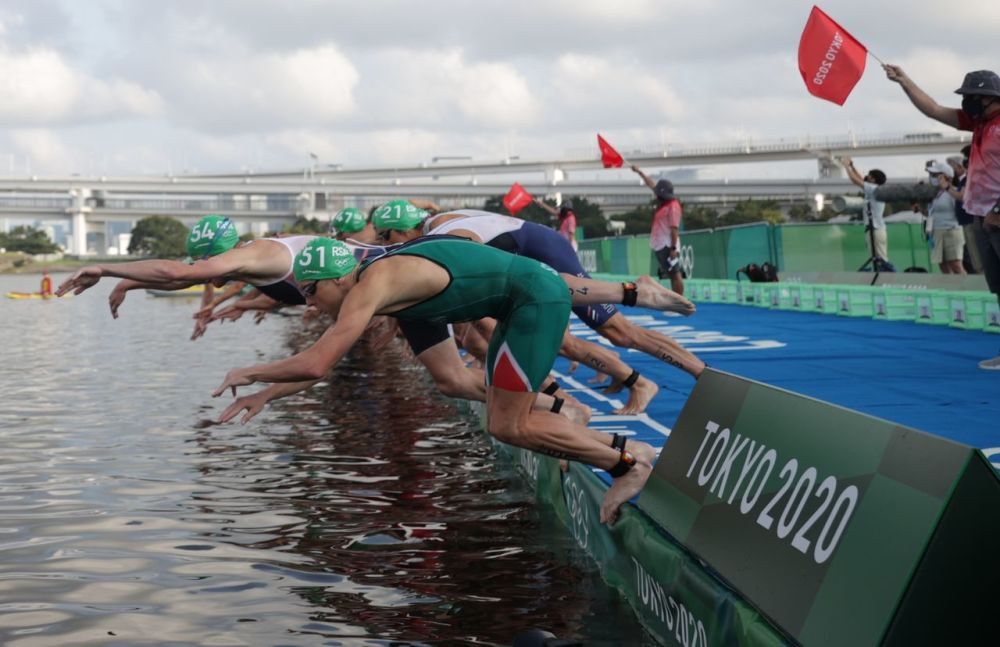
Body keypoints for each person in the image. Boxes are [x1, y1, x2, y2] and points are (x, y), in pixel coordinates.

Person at [213, 237, 696, 524]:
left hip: (533, 305)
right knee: (503, 419)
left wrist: (249, 371)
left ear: (337, 278)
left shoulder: (371, 285)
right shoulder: (379, 276)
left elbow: (317, 362)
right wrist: (267, 392)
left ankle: (628, 462)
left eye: (311, 292)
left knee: (509, 424)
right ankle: (626, 452)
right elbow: (323, 363)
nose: (310, 304)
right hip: (523, 302)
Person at [57, 215, 586, 421]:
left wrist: (106, 267)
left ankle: (562, 397)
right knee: (452, 380)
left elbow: (179, 273)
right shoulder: (260, 268)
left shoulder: (258, 255)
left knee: (492, 336)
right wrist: (129, 281)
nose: (205, 276)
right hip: (388, 296)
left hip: (399, 285)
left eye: (206, 265)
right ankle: (558, 404)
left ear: (220, 253)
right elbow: (182, 278)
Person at [372, 201, 706, 413]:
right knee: (543, 341)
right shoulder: (430, 227)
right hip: (528, 266)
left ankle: (693, 374)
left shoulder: (446, 232)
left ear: (403, 229)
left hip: (544, 254)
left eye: (385, 237)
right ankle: (582, 397)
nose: (383, 246)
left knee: (616, 331)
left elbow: (471, 270)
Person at [884, 65, 1000, 369]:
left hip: (995, 216)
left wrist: (997, 211)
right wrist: (905, 82)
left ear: (992, 97)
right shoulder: (979, 123)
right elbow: (934, 109)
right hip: (980, 216)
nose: (968, 102)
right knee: (998, 287)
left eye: (974, 96)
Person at [630, 164, 685, 294]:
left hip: (668, 245)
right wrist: (639, 172)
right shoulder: (664, 202)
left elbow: (674, 228)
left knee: (675, 274)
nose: (656, 195)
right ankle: (676, 300)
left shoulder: (673, 206)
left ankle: (680, 300)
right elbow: (651, 184)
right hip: (660, 244)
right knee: (671, 274)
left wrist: (673, 248)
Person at [840, 156, 891, 270]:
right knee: (878, 260)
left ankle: (890, 277)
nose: (866, 176)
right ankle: (883, 278)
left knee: (881, 261)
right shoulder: (875, 188)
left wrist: (846, 167)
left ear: (873, 180)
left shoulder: (873, 189)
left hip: (875, 230)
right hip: (876, 230)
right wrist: (852, 166)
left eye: (869, 175)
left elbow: (855, 180)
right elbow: (860, 180)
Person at [924, 160, 966, 274]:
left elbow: (961, 208)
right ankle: (950, 285)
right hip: (936, 231)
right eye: (931, 174)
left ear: (946, 176)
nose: (932, 177)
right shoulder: (934, 194)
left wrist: (947, 187)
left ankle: (965, 285)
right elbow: (931, 213)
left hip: (951, 231)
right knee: (942, 265)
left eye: (935, 175)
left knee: (956, 265)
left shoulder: (954, 191)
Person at [948, 150, 981, 273]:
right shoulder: (963, 180)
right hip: (967, 222)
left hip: (971, 222)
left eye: (953, 167)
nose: (952, 170)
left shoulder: (968, 179)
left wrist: (946, 187)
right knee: (974, 256)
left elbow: (961, 196)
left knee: (977, 258)